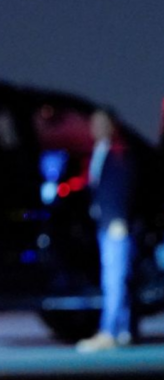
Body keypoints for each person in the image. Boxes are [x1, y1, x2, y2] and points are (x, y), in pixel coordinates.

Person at [76, 108, 139, 352]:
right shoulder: (99, 152)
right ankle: (124, 330)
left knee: (114, 280)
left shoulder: (120, 152)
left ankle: (109, 331)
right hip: (105, 224)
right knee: (118, 279)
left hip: (115, 225)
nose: (97, 128)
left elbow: (123, 187)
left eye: (102, 123)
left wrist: (118, 220)